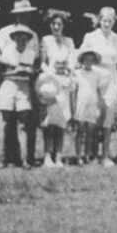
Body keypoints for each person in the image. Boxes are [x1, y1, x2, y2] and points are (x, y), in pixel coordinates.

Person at [80, 6, 117, 166]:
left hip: (111, 79)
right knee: (93, 118)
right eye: (104, 20)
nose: (106, 23)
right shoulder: (90, 36)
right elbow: (82, 59)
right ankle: (91, 155)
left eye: (110, 20)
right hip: (94, 79)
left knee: (107, 120)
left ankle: (105, 155)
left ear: (114, 21)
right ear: (99, 20)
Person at [0, 24, 38, 168]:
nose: (21, 41)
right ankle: (1, 158)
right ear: (14, 39)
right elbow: (2, 74)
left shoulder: (31, 53)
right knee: (6, 124)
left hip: (23, 89)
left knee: (23, 124)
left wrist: (26, 71)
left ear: (27, 40)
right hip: (8, 86)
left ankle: (25, 159)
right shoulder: (7, 51)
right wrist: (17, 71)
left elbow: (32, 73)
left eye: (24, 38)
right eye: (18, 38)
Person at [40, 12, 75, 168]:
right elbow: (42, 63)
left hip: (64, 84)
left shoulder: (69, 42)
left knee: (61, 122)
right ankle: (47, 156)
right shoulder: (46, 40)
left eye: (59, 24)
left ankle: (59, 157)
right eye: (53, 24)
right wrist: (50, 74)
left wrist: (68, 69)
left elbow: (72, 62)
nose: (56, 27)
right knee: (49, 122)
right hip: (50, 83)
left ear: (63, 26)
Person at [73, 46, 112, 165]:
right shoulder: (78, 73)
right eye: (86, 59)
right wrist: (74, 106)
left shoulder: (97, 73)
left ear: (94, 61)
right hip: (81, 103)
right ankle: (78, 156)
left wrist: (100, 106)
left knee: (90, 131)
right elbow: (74, 91)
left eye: (91, 60)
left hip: (92, 103)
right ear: (82, 60)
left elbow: (99, 90)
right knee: (80, 131)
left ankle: (87, 155)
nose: (88, 62)